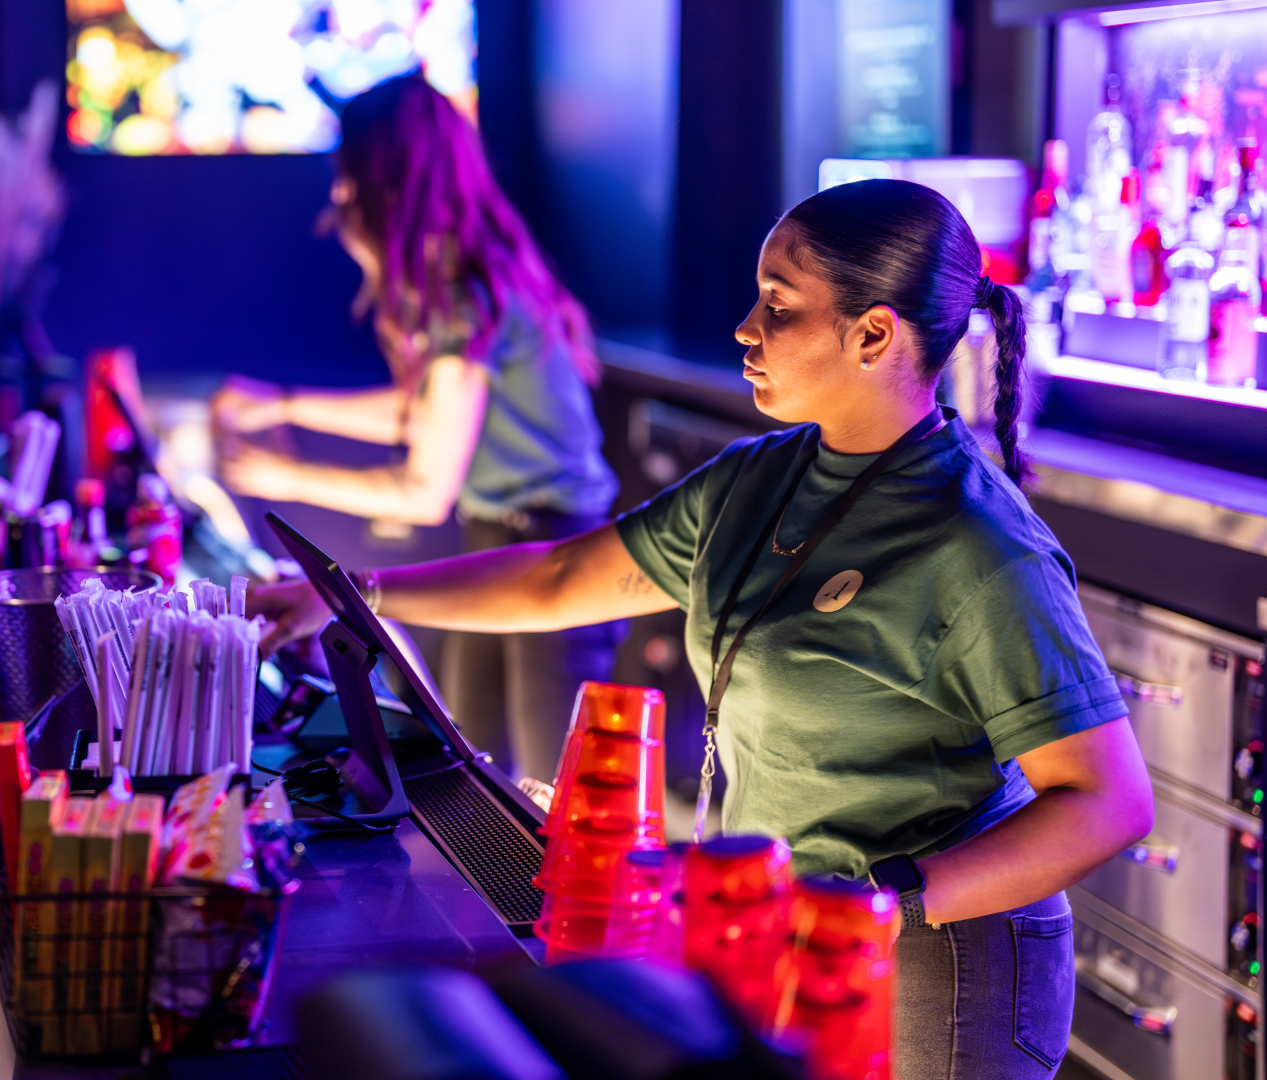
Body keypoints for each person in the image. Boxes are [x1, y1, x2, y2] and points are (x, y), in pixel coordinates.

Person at [252, 179, 1153, 1078]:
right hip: (781, 932)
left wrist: (881, 904)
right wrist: (353, 591)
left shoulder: (979, 544)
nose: (745, 329)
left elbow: (1106, 803)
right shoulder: (755, 478)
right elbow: (560, 577)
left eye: (778, 306)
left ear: (873, 335)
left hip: (934, 965)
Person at [212, 75, 620, 782]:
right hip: (504, 528)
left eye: (348, 176)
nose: (340, 194)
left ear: (383, 177)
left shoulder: (467, 290)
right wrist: (283, 404)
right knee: (473, 770)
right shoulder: (464, 270)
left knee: (551, 799)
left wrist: (278, 476)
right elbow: (424, 414)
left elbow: (425, 486)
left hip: (559, 541)